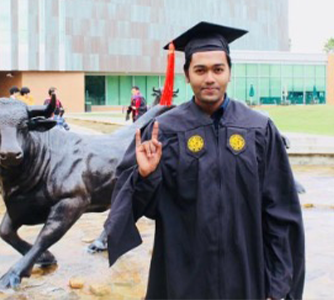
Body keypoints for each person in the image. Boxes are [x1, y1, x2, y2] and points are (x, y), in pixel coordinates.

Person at [104, 22, 305, 300]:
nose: (209, 78)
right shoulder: (164, 131)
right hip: (183, 276)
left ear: (229, 73)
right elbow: (137, 208)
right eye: (200, 70)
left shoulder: (258, 129)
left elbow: (280, 213)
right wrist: (145, 176)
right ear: (187, 75)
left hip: (246, 277)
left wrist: (278, 286)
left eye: (217, 69)